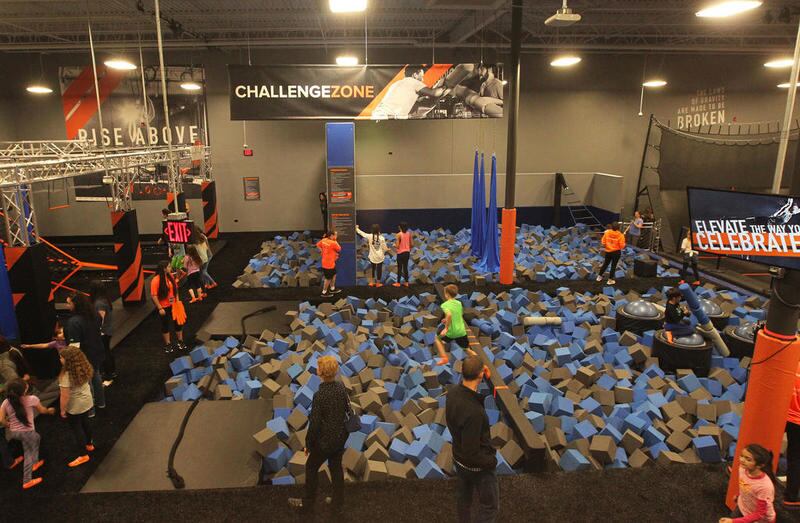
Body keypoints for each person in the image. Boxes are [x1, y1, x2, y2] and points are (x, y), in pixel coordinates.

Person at [288, 355, 348, 514]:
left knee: (311, 467)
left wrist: (308, 443)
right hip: (340, 437)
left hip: (325, 441)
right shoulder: (341, 387)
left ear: (320, 372)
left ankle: (308, 502)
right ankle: (338, 501)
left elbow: (314, 424)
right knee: (336, 468)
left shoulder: (319, 395)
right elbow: (346, 411)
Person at [446, 354, 498, 523]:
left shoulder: (452, 392)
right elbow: (472, 453)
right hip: (476, 467)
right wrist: (491, 462)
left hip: (458, 458)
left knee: (464, 500)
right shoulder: (474, 413)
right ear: (481, 374)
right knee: (490, 507)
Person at [0, 378, 54, 489]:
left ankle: (35, 463)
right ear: (24, 391)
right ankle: (27, 481)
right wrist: (49, 411)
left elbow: (1, 420)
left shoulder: (5, 402)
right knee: (29, 451)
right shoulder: (31, 399)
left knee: (28, 444)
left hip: (15, 433)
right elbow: (43, 410)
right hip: (27, 432)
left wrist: (8, 425)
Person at [64, 292, 105, 414]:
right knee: (96, 376)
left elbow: (74, 347)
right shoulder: (95, 315)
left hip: (84, 356)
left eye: (69, 303)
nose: (67, 306)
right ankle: (101, 403)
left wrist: (69, 361)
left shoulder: (74, 322)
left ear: (75, 304)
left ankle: (90, 410)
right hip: (97, 351)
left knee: (86, 383)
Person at [719, 444, 776, 523]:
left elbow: (760, 514)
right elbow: (745, 484)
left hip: (759, 519)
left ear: (760, 465)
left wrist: (733, 521)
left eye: (748, 459)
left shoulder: (764, 487)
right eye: (742, 456)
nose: (742, 460)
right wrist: (739, 495)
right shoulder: (742, 468)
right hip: (743, 506)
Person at [58, 346, 95, 468]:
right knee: (85, 421)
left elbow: (65, 396)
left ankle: (83, 455)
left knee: (76, 428)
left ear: (67, 360)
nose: (60, 359)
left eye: (61, 357)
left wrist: (62, 410)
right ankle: (89, 444)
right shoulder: (84, 367)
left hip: (75, 406)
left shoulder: (66, 376)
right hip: (87, 401)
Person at [372, 65, 444, 120]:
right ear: (415, 75)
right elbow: (435, 93)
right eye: (421, 76)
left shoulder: (397, 83)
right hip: (387, 118)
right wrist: (444, 86)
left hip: (377, 116)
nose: (422, 79)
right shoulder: (413, 82)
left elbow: (407, 100)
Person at [151, 260, 186, 353]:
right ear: (164, 269)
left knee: (178, 323)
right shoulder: (156, 280)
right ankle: (168, 344)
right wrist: (160, 308)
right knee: (165, 325)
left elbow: (175, 289)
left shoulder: (170, 276)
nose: (171, 268)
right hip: (164, 307)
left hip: (174, 305)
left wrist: (177, 300)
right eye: (169, 267)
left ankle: (180, 341)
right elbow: (154, 296)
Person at [434, 284, 470, 366]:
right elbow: (457, 315)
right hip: (461, 331)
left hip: (451, 332)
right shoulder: (459, 303)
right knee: (467, 350)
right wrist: (446, 320)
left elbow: (449, 314)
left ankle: (444, 358)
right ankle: (483, 365)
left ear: (446, 295)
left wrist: (446, 328)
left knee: (437, 338)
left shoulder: (445, 305)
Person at [88, 281, 116, 386]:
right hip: (107, 331)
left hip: (103, 332)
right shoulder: (104, 300)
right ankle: (111, 373)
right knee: (107, 352)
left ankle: (108, 376)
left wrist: (97, 332)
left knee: (104, 354)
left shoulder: (99, 303)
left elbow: (100, 319)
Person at [784, 361, 800, 510]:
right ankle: (791, 496)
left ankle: (744, 467)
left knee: (763, 439)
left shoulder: (794, 364)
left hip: (783, 412)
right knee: (795, 457)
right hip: (797, 420)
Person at [316, 231, 342, 297]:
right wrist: (335, 240)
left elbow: (318, 245)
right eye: (335, 235)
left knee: (334, 274)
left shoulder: (324, 240)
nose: (336, 236)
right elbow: (339, 249)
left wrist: (322, 251)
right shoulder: (333, 242)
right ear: (331, 236)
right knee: (328, 278)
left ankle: (332, 288)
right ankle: (324, 292)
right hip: (328, 264)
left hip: (329, 262)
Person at [192, 225, 217, 290]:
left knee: (203, 272)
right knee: (204, 271)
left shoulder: (199, 238)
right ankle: (207, 284)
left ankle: (213, 283)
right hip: (207, 255)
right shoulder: (202, 236)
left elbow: (205, 248)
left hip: (206, 256)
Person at [394, 222, 413, 287]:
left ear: (400, 227)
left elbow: (397, 246)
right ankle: (406, 282)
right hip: (407, 253)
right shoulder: (409, 234)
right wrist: (407, 248)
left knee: (399, 268)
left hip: (400, 253)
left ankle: (398, 283)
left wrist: (394, 245)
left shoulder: (398, 235)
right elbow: (412, 244)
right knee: (405, 267)